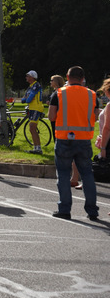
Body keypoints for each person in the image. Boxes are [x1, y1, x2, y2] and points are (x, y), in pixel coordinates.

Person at [48, 66, 99, 220]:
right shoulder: (92, 94)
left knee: (63, 174)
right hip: (84, 139)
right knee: (87, 174)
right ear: (82, 78)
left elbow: (51, 116)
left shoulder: (59, 93)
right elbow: (95, 116)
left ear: (67, 77)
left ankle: (64, 209)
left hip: (64, 138)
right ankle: (92, 211)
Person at [22, 70, 44, 154]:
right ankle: (36, 148)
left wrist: (27, 99)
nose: (26, 77)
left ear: (32, 77)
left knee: (32, 128)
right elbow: (24, 98)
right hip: (32, 108)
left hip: (36, 108)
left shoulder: (36, 85)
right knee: (32, 129)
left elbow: (28, 98)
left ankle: (38, 148)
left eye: (28, 76)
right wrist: (26, 99)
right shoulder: (30, 86)